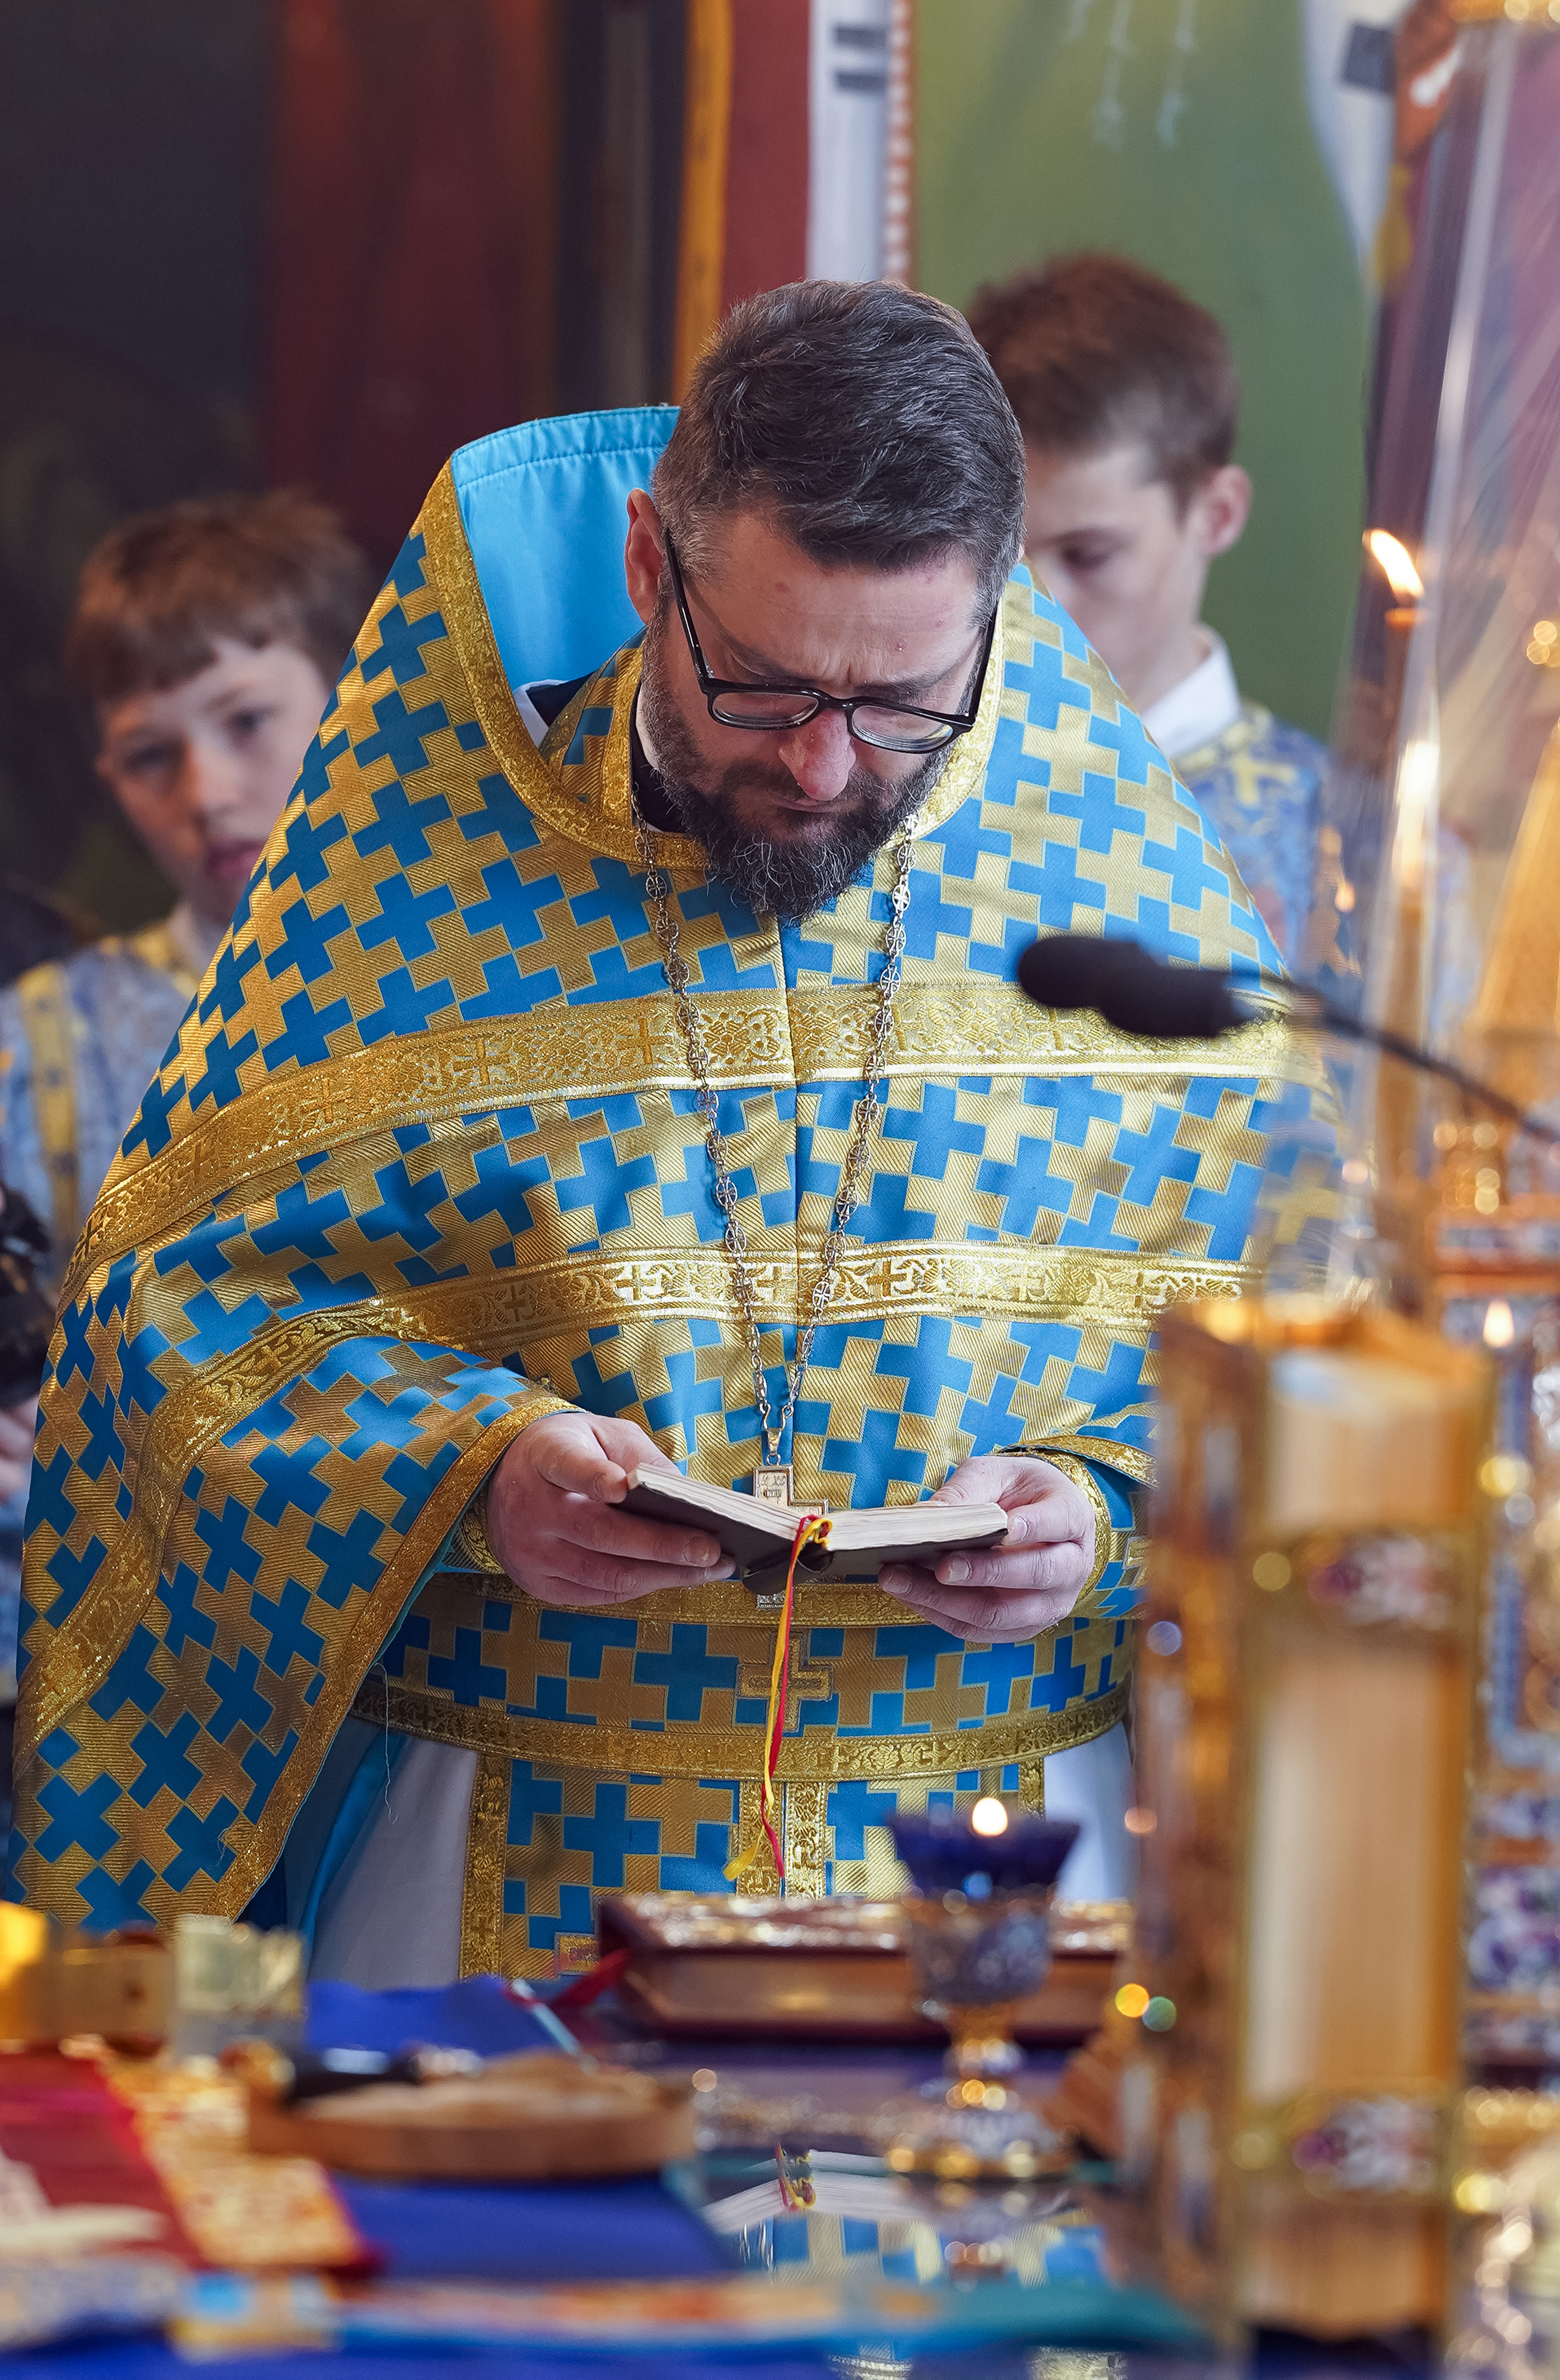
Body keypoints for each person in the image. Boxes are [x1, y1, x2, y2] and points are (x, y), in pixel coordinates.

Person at [11, 283, 1317, 1978]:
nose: (827, 767)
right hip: (498, 1867)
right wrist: (467, 1470)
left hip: (995, 1886)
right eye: (761, 687)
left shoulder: (1115, 899)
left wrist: (1104, 1513)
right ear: (649, 567)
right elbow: (176, 1321)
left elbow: (1300, 1339)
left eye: (906, 700)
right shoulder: (408, 896)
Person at [0, 494, 369, 1704]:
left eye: (248, 721)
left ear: (350, 698)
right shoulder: (39, 1040)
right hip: (134, 1666)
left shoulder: (472, 994)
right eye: (150, 755)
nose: (207, 793)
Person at [969, 252, 1337, 976]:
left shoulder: (1344, 842)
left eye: (1087, 554)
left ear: (1216, 514)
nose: (1030, 605)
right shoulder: (901, 792)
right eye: (999, 558)